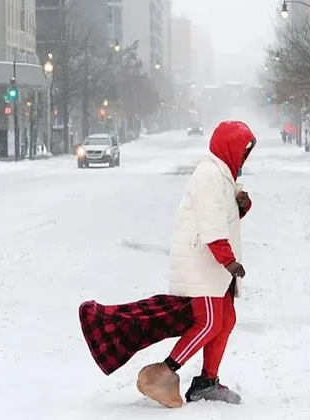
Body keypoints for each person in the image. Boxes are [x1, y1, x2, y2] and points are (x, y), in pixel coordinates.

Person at [77, 120, 256, 409]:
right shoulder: (210, 175)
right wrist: (229, 260)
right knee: (209, 321)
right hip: (204, 262)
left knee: (226, 319)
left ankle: (207, 382)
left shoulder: (222, 176)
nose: (244, 157)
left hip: (213, 264)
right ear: (228, 147)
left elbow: (222, 216)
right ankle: (164, 371)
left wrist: (240, 206)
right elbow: (211, 225)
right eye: (242, 149)